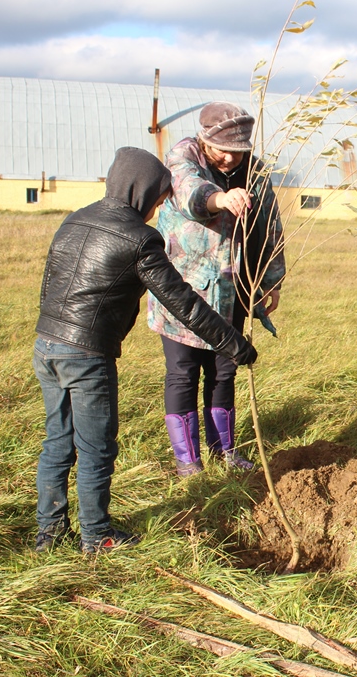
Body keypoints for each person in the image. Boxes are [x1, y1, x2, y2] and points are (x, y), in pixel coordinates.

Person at [33, 146, 258, 555]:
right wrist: (234, 344)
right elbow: (183, 303)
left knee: (58, 441)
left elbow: (50, 281)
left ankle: (49, 534)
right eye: (158, 198)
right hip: (87, 354)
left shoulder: (73, 220)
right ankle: (96, 535)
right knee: (97, 447)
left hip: (46, 345)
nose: (158, 207)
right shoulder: (140, 239)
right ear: (141, 191)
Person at [148, 102, 285, 477]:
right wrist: (221, 199)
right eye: (221, 149)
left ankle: (225, 452)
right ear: (204, 139)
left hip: (232, 291)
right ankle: (188, 461)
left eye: (237, 151)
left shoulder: (254, 170)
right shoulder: (182, 156)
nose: (229, 158)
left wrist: (269, 280)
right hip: (183, 293)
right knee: (183, 373)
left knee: (224, 372)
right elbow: (190, 193)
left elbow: (270, 223)